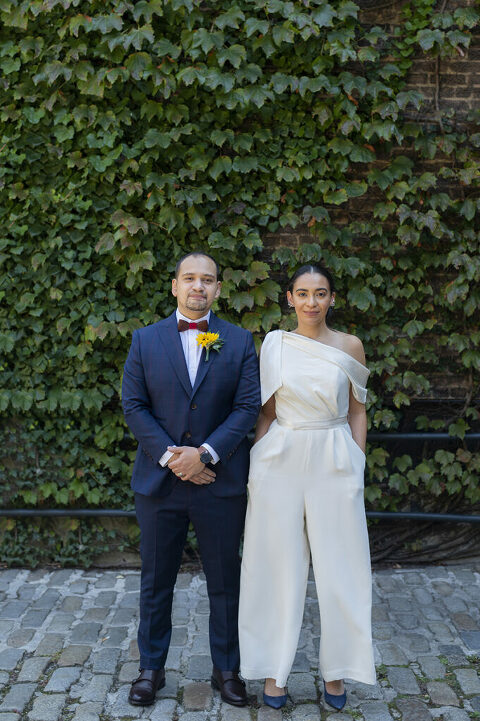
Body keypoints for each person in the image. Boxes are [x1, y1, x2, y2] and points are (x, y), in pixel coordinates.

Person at [122, 252, 261, 708]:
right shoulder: (144, 341)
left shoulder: (239, 342)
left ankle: (227, 670)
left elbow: (246, 408)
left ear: (219, 289)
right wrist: (172, 457)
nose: (198, 286)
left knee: (224, 579)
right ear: (175, 286)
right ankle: (150, 670)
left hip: (218, 482)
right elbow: (134, 405)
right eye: (190, 278)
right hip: (160, 483)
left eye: (208, 280)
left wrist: (203, 454)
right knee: (156, 578)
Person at [238, 263, 376, 711]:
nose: (311, 302)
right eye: (303, 293)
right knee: (275, 566)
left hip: (334, 455)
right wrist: (258, 461)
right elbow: (266, 411)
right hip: (281, 455)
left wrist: (356, 460)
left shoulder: (350, 345)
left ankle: (338, 672)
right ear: (290, 298)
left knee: (343, 568)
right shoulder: (274, 344)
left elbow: (358, 410)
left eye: (320, 293)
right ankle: (275, 672)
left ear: (333, 298)